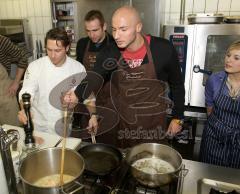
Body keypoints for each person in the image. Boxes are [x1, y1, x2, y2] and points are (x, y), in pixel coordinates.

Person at [65, 6, 185, 148]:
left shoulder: (162, 49)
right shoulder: (111, 52)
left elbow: (177, 84)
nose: (116, 36)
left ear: (138, 27)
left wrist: (178, 117)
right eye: (114, 29)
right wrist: (76, 95)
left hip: (152, 125)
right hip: (123, 126)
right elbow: (93, 77)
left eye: (123, 29)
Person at [18, 28, 87, 134]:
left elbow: (85, 96)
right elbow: (26, 92)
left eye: (57, 50)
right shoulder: (35, 67)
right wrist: (24, 109)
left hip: (63, 126)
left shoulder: (78, 69)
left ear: (67, 48)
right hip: (37, 126)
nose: (52, 55)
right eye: (49, 50)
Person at [199, 41, 240, 168]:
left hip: (237, 143)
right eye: (228, 55)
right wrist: (218, 127)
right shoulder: (215, 80)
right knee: (208, 174)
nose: (229, 60)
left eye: (236, 58)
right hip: (213, 138)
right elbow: (210, 109)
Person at [73, 10, 115, 130]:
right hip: (86, 94)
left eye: (95, 30)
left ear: (104, 27)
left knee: (106, 134)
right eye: (88, 31)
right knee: (86, 132)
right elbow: (79, 70)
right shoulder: (82, 44)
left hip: (106, 98)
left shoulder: (114, 45)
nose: (92, 35)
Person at [0, 35, 28, 126]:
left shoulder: (2, 41)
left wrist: (16, 82)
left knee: (13, 132)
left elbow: (23, 57)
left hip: (4, 94)